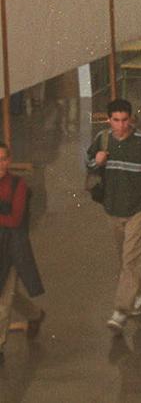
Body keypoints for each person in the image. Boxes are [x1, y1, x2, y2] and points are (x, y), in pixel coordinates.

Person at [87, 99, 141, 332]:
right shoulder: (102, 139)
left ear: (131, 119)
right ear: (109, 120)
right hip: (113, 210)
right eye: (115, 120)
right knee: (128, 257)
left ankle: (120, 311)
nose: (120, 125)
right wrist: (96, 161)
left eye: (125, 120)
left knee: (130, 259)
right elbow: (89, 164)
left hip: (137, 210)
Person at [0, 145, 44, 365]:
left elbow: (15, 219)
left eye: (4, 159)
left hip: (11, 249)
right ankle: (35, 314)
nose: (1, 164)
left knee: (3, 297)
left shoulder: (18, 185)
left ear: (9, 160)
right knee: (8, 294)